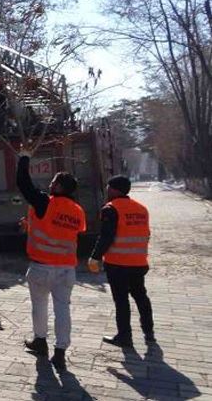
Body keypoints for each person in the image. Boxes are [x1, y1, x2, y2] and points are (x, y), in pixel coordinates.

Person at [17, 148, 87, 372]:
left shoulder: (45, 202)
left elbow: (24, 184)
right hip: (66, 269)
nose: (50, 184)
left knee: (39, 307)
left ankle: (40, 342)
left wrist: (24, 158)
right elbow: (64, 232)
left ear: (59, 187)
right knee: (63, 309)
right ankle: (60, 353)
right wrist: (32, 224)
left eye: (54, 181)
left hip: (41, 267)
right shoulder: (77, 211)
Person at [88, 176, 155, 348]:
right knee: (141, 296)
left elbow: (106, 237)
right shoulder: (142, 209)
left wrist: (95, 257)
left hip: (118, 264)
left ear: (115, 190)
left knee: (121, 300)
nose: (107, 190)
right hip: (139, 262)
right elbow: (146, 234)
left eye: (109, 187)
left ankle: (125, 337)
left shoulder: (110, 209)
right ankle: (149, 332)